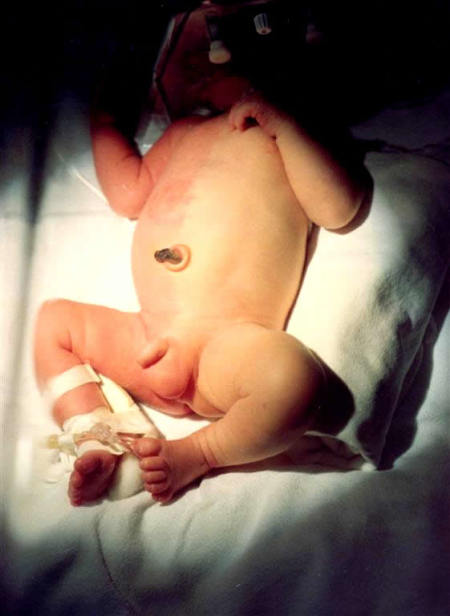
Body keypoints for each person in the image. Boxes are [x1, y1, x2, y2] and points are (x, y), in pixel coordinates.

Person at [34, 85, 368, 506]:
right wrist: (105, 125)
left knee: (293, 379)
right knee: (53, 322)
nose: (198, 65)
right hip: (147, 336)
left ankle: (200, 452)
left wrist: (285, 126)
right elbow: (128, 193)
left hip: (223, 345)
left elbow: (338, 208)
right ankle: (95, 435)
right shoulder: (185, 131)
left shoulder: (294, 136)